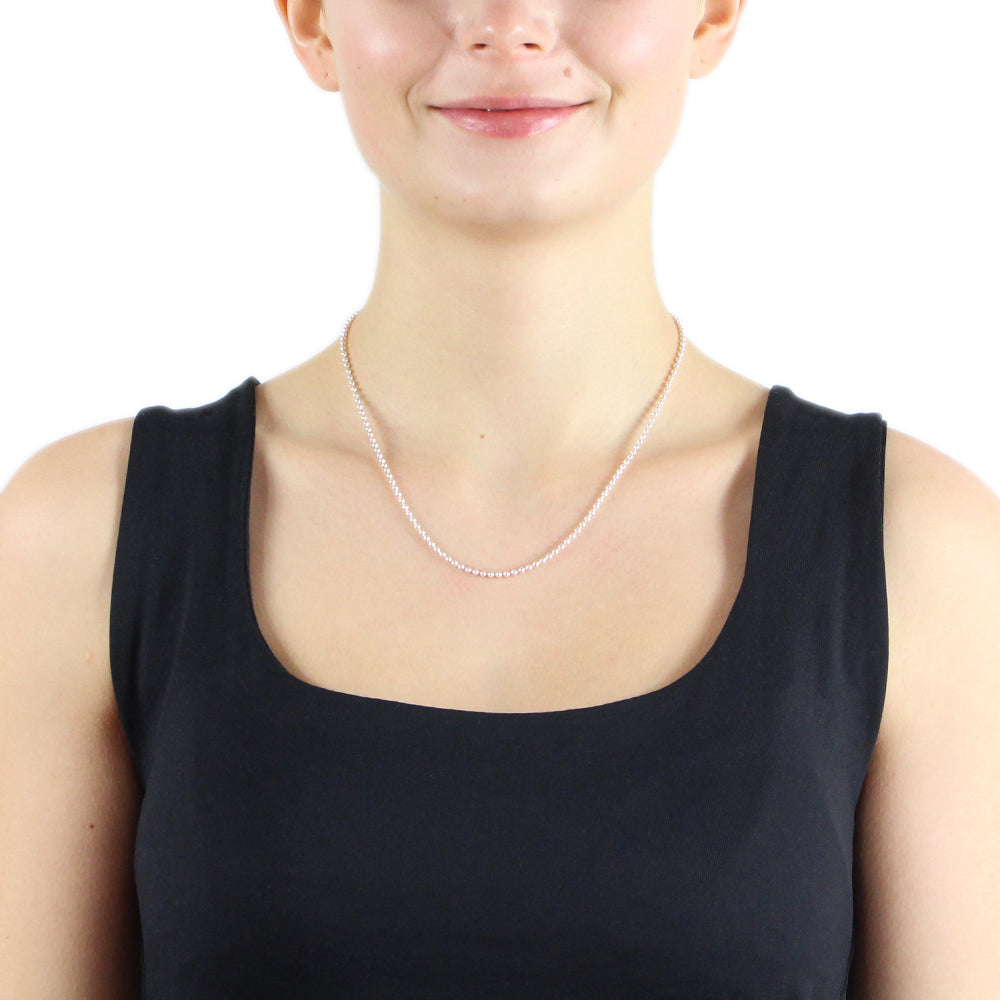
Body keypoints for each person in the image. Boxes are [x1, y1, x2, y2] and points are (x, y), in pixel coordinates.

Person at [1, 0, 997, 996]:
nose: (507, 23)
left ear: (713, 13)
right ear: (310, 20)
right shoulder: (79, 539)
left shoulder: (920, 553)